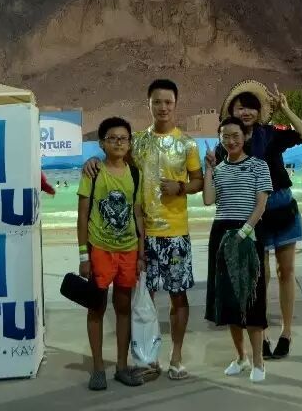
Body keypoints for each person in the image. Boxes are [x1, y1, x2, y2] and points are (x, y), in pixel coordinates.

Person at [83, 78, 203, 380]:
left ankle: (176, 357)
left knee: (178, 297)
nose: (163, 107)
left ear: (176, 104)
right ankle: (146, 357)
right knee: (139, 301)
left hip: (175, 233)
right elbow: (114, 159)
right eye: (157, 102)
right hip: (141, 236)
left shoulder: (188, 144)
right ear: (148, 104)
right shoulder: (136, 142)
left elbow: (199, 181)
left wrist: (181, 187)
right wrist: (92, 160)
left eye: (168, 102)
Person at [215, 80, 302, 360]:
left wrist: (286, 108)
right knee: (261, 276)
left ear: (259, 112)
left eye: (251, 107)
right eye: (240, 107)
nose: (246, 112)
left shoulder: (270, 135)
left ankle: (286, 333)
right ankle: (264, 331)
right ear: (232, 111)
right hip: (253, 213)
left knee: (286, 271)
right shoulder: (229, 142)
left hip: (282, 206)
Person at [77, 117, 146, 391]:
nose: (118, 143)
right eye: (112, 138)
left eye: (123, 138)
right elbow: (82, 216)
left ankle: (121, 366)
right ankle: (97, 369)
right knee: (96, 307)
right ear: (102, 143)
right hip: (100, 251)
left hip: (128, 251)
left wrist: (141, 254)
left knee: (123, 308)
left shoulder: (135, 174)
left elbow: (138, 215)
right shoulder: (93, 172)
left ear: (129, 143)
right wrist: (84, 255)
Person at [204, 116, 273, 382]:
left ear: (245, 137)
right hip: (221, 233)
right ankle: (241, 357)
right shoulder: (219, 169)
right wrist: (209, 169)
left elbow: (261, 204)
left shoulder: (258, 165)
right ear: (220, 139)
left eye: (235, 135)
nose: (231, 141)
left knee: (252, 298)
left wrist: (244, 232)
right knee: (229, 299)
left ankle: (258, 362)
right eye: (225, 136)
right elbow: (209, 200)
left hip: (248, 232)